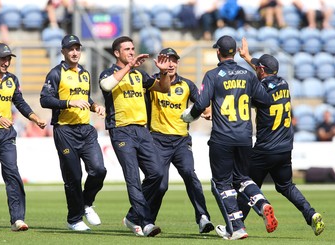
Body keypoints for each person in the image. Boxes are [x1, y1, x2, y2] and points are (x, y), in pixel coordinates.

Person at [181, 35, 277, 240]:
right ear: (234, 51)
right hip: (244, 136)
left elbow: (200, 104)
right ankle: (262, 203)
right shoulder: (248, 76)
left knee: (222, 183)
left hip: (222, 138)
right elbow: (266, 101)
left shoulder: (213, 75)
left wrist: (188, 116)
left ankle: (237, 227)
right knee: (242, 178)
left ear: (218, 52)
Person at [235, 37, 325, 236]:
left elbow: (248, 93)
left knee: (246, 184)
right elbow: (263, 71)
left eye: (257, 67)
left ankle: (237, 225)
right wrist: (248, 58)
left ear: (261, 70)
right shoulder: (283, 83)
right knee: (286, 186)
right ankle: (311, 214)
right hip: (285, 147)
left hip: (265, 148)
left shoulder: (261, 90)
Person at [0, 43, 47, 232]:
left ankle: (17, 219)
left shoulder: (12, 79)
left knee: (12, 172)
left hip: (6, 135)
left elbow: (19, 102)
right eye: (3, 58)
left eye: (9, 58)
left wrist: (34, 117)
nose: (6, 62)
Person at [99, 36, 170, 237]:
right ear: (116, 53)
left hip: (142, 130)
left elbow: (164, 88)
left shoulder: (139, 74)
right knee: (133, 178)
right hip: (121, 130)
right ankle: (145, 222)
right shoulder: (109, 73)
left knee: (157, 175)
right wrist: (129, 66)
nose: (131, 51)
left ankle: (132, 217)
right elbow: (106, 86)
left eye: (132, 48)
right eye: (126, 49)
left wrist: (163, 72)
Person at [40, 34, 107, 231]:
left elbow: (85, 98)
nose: (75, 52)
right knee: (73, 177)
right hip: (65, 131)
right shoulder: (55, 73)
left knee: (99, 170)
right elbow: (45, 99)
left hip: (86, 129)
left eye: (77, 48)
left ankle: (86, 203)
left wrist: (96, 107)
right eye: (71, 49)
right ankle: (74, 220)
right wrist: (69, 103)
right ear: (63, 52)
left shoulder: (85, 74)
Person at [146, 47, 214, 233]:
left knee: (190, 175)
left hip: (181, 141)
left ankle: (203, 218)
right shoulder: (152, 82)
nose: (171, 64)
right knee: (160, 185)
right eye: (167, 60)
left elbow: (202, 107)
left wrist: (205, 113)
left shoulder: (187, 85)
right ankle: (147, 221)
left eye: (174, 60)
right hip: (157, 139)